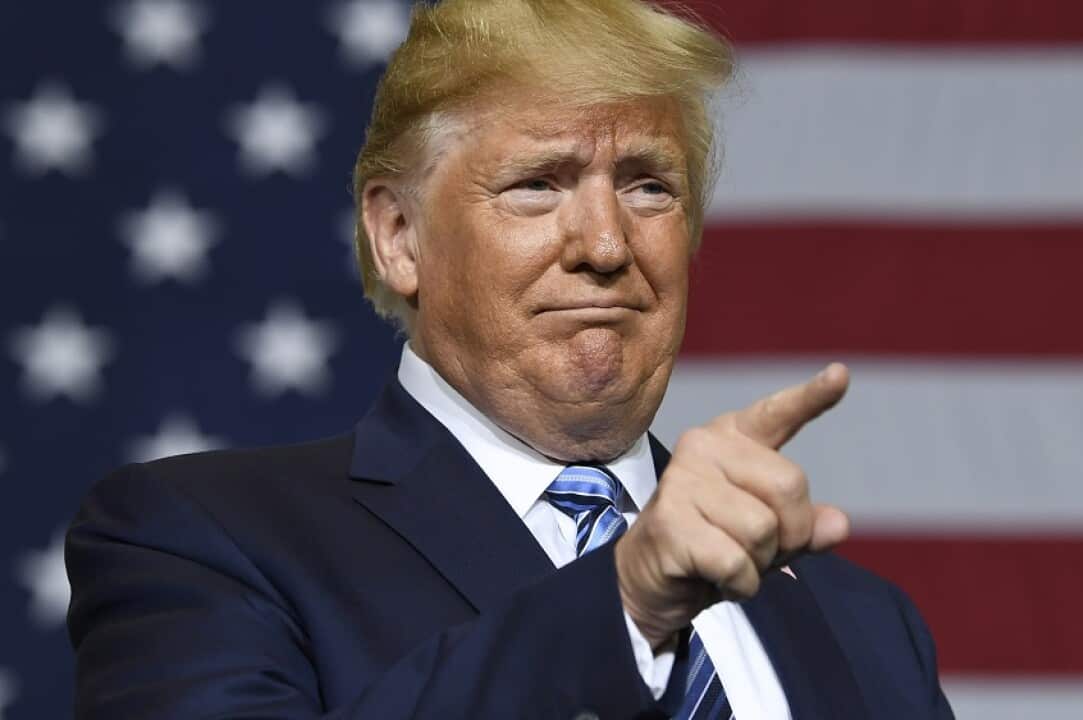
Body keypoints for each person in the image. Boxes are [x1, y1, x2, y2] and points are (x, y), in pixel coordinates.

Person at [66, 1, 954, 717]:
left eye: (649, 184)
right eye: (539, 184)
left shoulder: (863, 623)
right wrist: (623, 606)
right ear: (399, 235)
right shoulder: (197, 542)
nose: (607, 244)